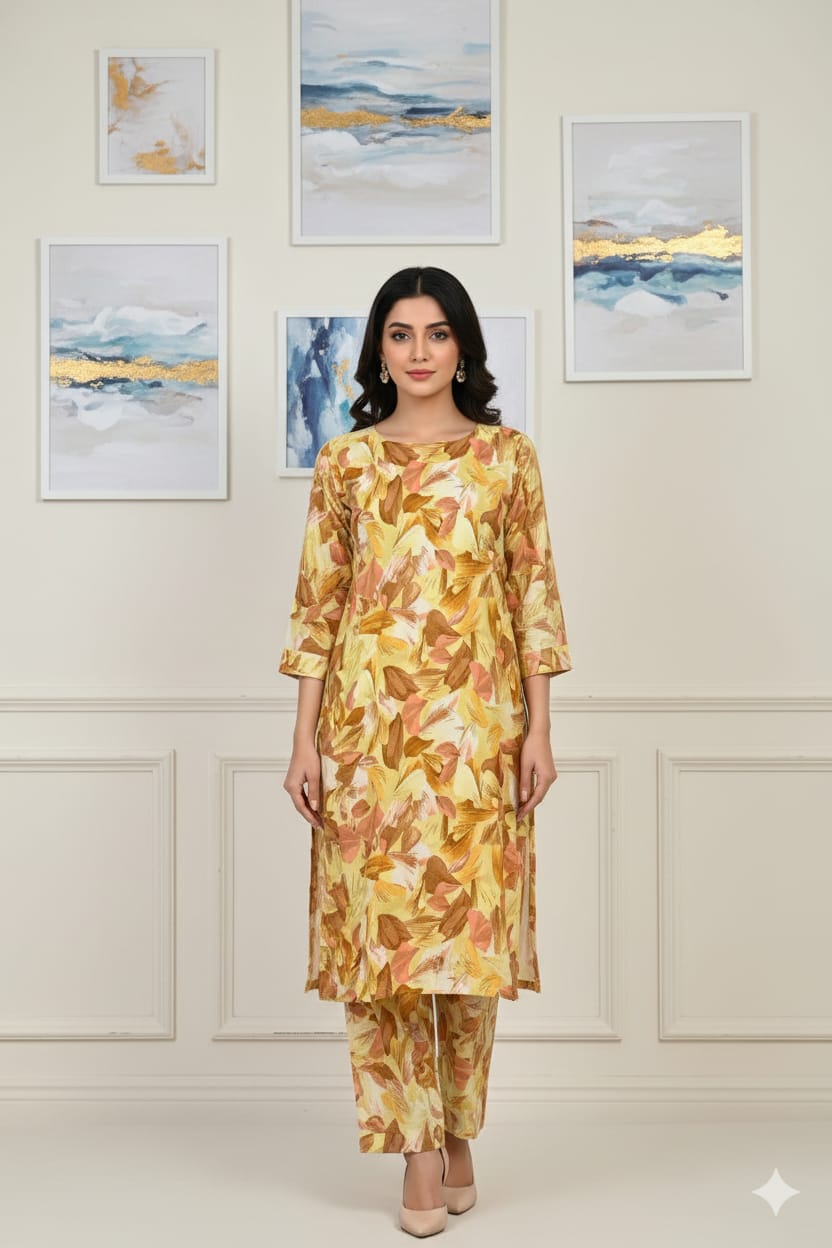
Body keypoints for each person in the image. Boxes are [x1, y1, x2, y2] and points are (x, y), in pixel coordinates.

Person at [279, 266, 572, 1238]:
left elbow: (534, 599)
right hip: (366, 744)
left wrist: (539, 728)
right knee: (383, 954)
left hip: (480, 740)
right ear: (379, 351)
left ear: (462, 347)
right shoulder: (345, 464)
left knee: (466, 950)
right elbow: (317, 610)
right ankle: (412, 1149)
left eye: (436, 333)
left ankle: (455, 1128)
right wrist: (302, 742)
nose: (417, 351)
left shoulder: (507, 458)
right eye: (400, 334)